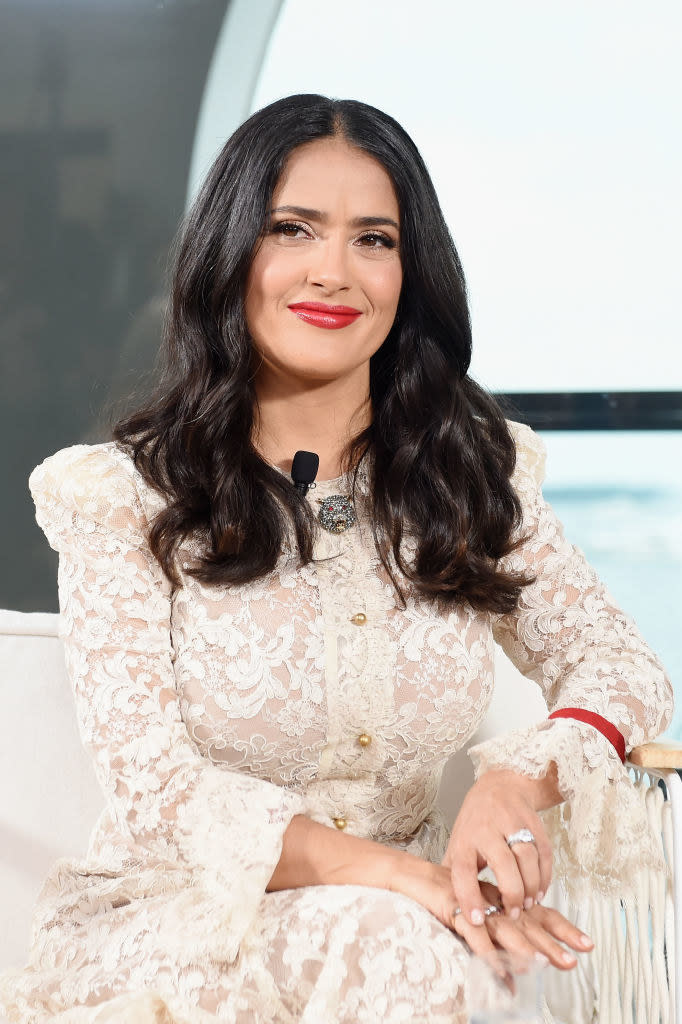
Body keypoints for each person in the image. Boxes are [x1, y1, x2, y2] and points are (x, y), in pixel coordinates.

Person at [0, 94, 672, 1024]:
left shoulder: (474, 478)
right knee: (421, 949)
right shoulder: (120, 497)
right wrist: (405, 880)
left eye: (374, 239)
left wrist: (515, 781)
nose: (333, 272)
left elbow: (618, 663)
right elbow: (157, 787)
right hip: (183, 931)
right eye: (293, 229)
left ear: (410, 272)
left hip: (416, 934)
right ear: (232, 254)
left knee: (447, 956)